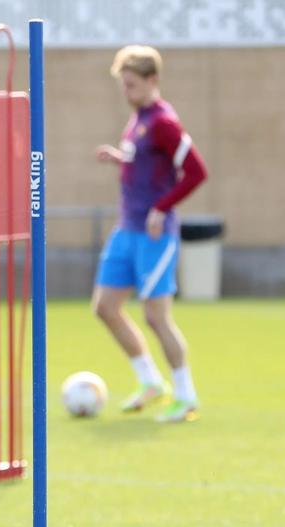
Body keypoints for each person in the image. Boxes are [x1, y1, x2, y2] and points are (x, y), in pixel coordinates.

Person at [93, 45, 208, 423]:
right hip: (126, 228)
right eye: (123, 86)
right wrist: (121, 158)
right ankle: (150, 382)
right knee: (105, 307)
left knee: (156, 317)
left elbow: (196, 172)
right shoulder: (138, 119)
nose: (127, 92)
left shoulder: (163, 122)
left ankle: (186, 395)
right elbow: (146, 165)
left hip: (153, 234)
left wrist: (162, 207)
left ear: (152, 81)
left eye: (132, 85)